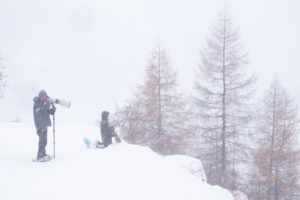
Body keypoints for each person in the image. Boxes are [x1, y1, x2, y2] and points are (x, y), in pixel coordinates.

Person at [33, 90, 56, 160]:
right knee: (42, 140)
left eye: (45, 96)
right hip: (40, 124)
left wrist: (52, 110)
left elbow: (46, 111)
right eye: (42, 96)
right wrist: (48, 102)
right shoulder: (37, 102)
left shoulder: (43, 103)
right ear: (39, 96)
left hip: (44, 124)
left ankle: (43, 153)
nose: (44, 97)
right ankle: (40, 155)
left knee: (44, 140)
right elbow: (43, 110)